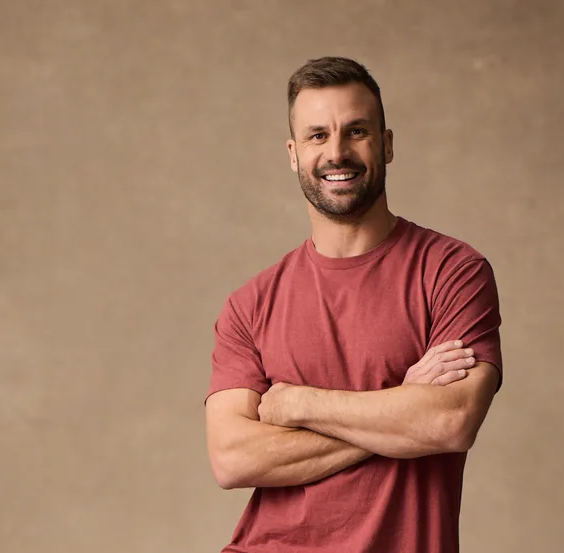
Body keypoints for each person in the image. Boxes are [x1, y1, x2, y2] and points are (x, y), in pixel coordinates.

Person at [204, 56, 503, 553]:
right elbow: (232, 459)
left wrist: (299, 404)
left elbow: (450, 421)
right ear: (294, 154)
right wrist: (402, 403)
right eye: (317, 135)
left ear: (386, 145)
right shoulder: (249, 306)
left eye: (356, 131)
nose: (337, 152)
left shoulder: (453, 272)